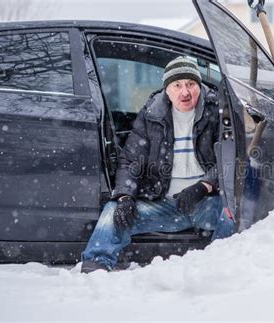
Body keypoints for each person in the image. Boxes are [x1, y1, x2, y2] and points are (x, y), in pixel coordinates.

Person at [81, 57, 235, 273]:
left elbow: (231, 157)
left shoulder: (216, 110)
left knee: (232, 209)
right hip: (164, 205)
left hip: (205, 204)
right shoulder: (152, 115)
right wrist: (125, 196)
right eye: (177, 85)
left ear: (199, 86)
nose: (185, 92)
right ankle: (94, 267)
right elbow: (129, 160)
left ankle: (217, 267)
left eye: (191, 84)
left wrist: (204, 187)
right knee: (113, 210)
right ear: (167, 90)